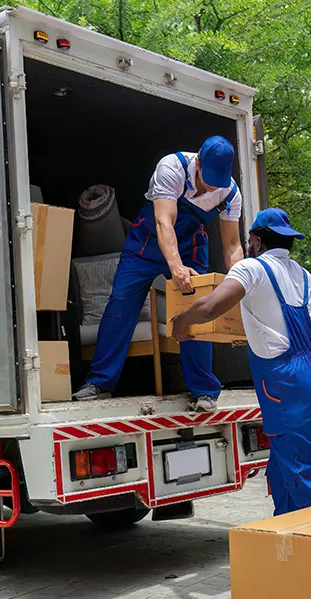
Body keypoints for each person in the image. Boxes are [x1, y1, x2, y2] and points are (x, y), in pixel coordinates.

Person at [170, 208, 311, 516]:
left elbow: (209, 308)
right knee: (281, 470)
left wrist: (181, 320)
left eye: (249, 241)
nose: (247, 246)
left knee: (306, 477)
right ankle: (291, 546)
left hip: (286, 384)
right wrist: (261, 333)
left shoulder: (252, 268)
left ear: (257, 241)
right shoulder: (304, 275)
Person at [72, 136, 245, 411]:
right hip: (147, 243)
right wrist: (176, 269)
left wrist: (239, 290)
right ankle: (100, 383)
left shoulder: (230, 193)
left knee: (198, 310)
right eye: (207, 179)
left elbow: (233, 245)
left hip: (191, 247)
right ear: (198, 162)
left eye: (217, 181)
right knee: (120, 304)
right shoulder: (172, 167)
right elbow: (165, 222)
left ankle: (204, 391)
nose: (211, 186)